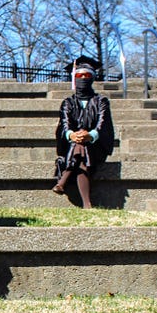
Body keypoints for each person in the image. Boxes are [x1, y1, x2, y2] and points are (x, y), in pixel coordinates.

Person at [53, 56, 115, 209]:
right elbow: (65, 124)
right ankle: (87, 204)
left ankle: (62, 182)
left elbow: (103, 124)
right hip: (73, 146)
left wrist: (90, 135)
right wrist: (71, 135)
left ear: (92, 78)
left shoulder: (101, 101)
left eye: (86, 76)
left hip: (97, 146)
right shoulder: (68, 103)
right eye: (79, 76)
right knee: (81, 149)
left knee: (83, 145)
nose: (82, 79)